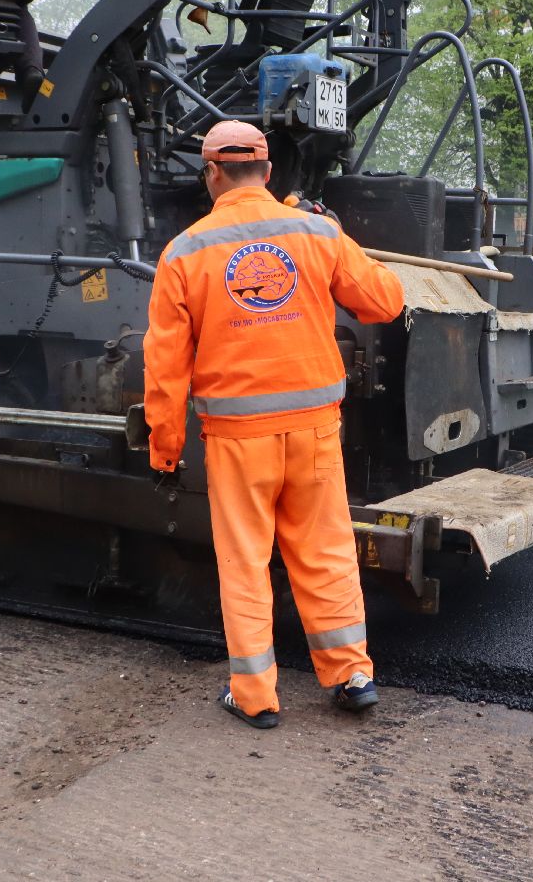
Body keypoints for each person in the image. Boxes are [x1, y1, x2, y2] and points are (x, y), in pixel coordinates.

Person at [142, 121, 406, 730]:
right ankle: (352, 676)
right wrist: (336, 235)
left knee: (246, 563)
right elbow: (386, 301)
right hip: (314, 433)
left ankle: (256, 696)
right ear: (266, 171)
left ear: (212, 173)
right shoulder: (315, 232)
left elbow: (165, 366)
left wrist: (165, 450)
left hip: (238, 441)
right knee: (326, 553)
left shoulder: (183, 253)